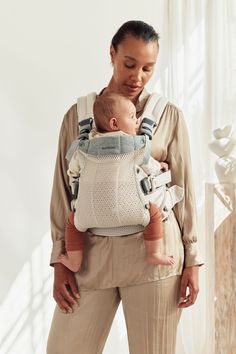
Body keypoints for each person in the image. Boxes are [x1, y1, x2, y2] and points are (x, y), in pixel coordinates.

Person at [47, 20, 203, 354]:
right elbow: (62, 191)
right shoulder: (78, 115)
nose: (138, 77)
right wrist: (59, 260)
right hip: (87, 258)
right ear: (112, 53)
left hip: (155, 258)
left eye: (148, 68)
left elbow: (185, 189)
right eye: (129, 64)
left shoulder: (168, 116)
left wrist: (193, 259)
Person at [57, 92, 178, 273]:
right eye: (132, 117)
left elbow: (72, 172)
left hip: (89, 214)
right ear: (114, 124)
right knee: (154, 215)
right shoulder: (136, 145)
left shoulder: (83, 148)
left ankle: (74, 260)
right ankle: (154, 253)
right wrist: (160, 165)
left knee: (72, 223)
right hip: (134, 210)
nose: (137, 121)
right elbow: (150, 167)